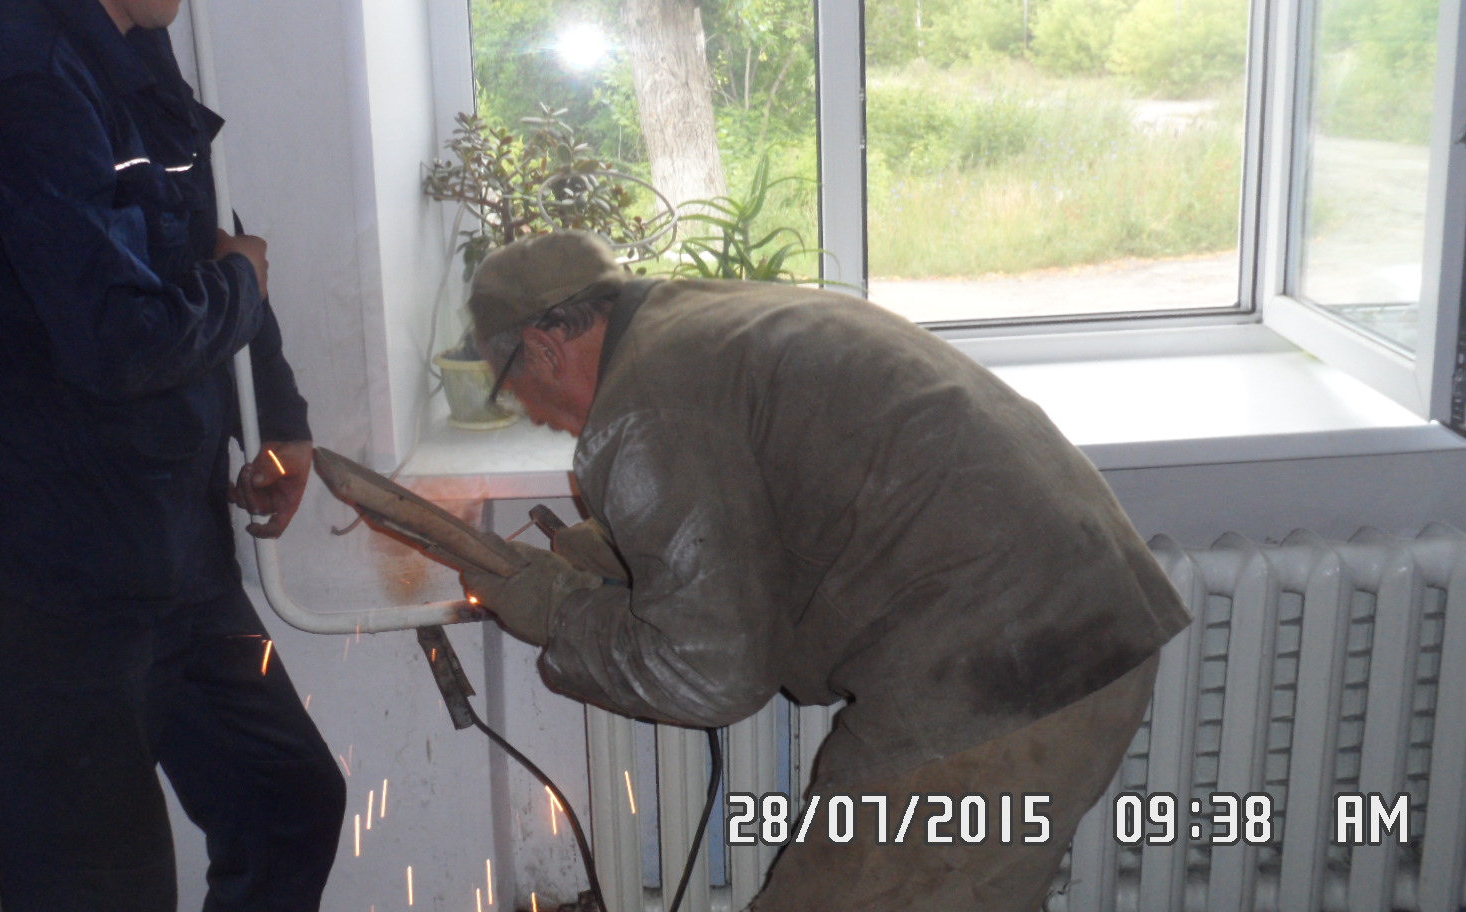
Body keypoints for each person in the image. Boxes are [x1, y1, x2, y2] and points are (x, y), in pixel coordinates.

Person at [458, 232, 1191, 911]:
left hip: (1004, 673)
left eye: (510, 389)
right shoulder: (700, 323)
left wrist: (557, 613)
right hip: (1082, 620)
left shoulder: (643, 403)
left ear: (542, 348)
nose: (533, 415)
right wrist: (626, 553)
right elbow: (777, 491)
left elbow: (708, 676)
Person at [0, 0, 344, 908]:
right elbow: (122, 340)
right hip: (66, 578)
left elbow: (211, 237)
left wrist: (279, 417)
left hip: (178, 551)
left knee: (291, 800)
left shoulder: (135, 47)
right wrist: (241, 287)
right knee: (104, 889)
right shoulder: (22, 79)